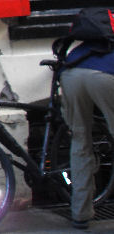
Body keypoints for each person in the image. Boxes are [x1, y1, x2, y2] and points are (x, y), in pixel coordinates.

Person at [59, 39, 114, 230]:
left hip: (71, 74)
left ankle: (80, 215)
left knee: (80, 142)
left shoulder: (87, 44)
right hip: (105, 76)